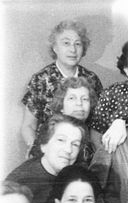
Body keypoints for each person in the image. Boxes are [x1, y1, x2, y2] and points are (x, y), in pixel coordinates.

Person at [21, 20, 102, 156]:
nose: (73, 50)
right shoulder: (41, 80)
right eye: (66, 43)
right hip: (50, 152)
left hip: (84, 152)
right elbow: (28, 126)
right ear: (55, 47)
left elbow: (98, 124)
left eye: (78, 44)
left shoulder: (91, 79)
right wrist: (38, 151)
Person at [7, 114, 90, 203]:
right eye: (61, 140)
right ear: (43, 145)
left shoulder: (79, 174)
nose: (68, 150)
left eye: (75, 144)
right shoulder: (20, 182)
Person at [29, 76, 98, 164]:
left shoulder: (92, 134)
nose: (79, 103)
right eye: (72, 98)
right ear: (61, 106)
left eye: (85, 99)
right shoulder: (51, 131)